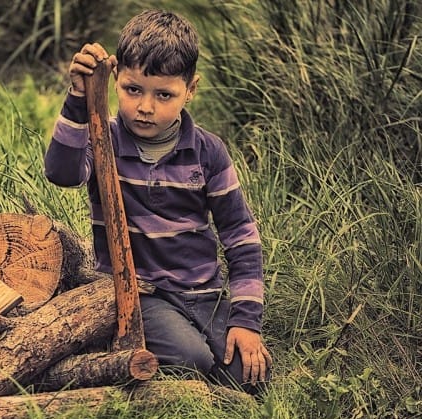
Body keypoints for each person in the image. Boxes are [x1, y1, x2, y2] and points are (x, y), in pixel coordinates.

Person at [44, 9, 272, 393]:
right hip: (140, 295)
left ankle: (211, 370)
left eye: (164, 94)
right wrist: (79, 99)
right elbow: (61, 173)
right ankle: (141, 359)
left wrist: (246, 321)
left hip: (204, 294)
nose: (145, 107)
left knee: (250, 375)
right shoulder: (104, 140)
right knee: (191, 359)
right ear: (116, 77)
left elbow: (240, 236)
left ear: (191, 89)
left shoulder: (208, 152)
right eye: (133, 90)